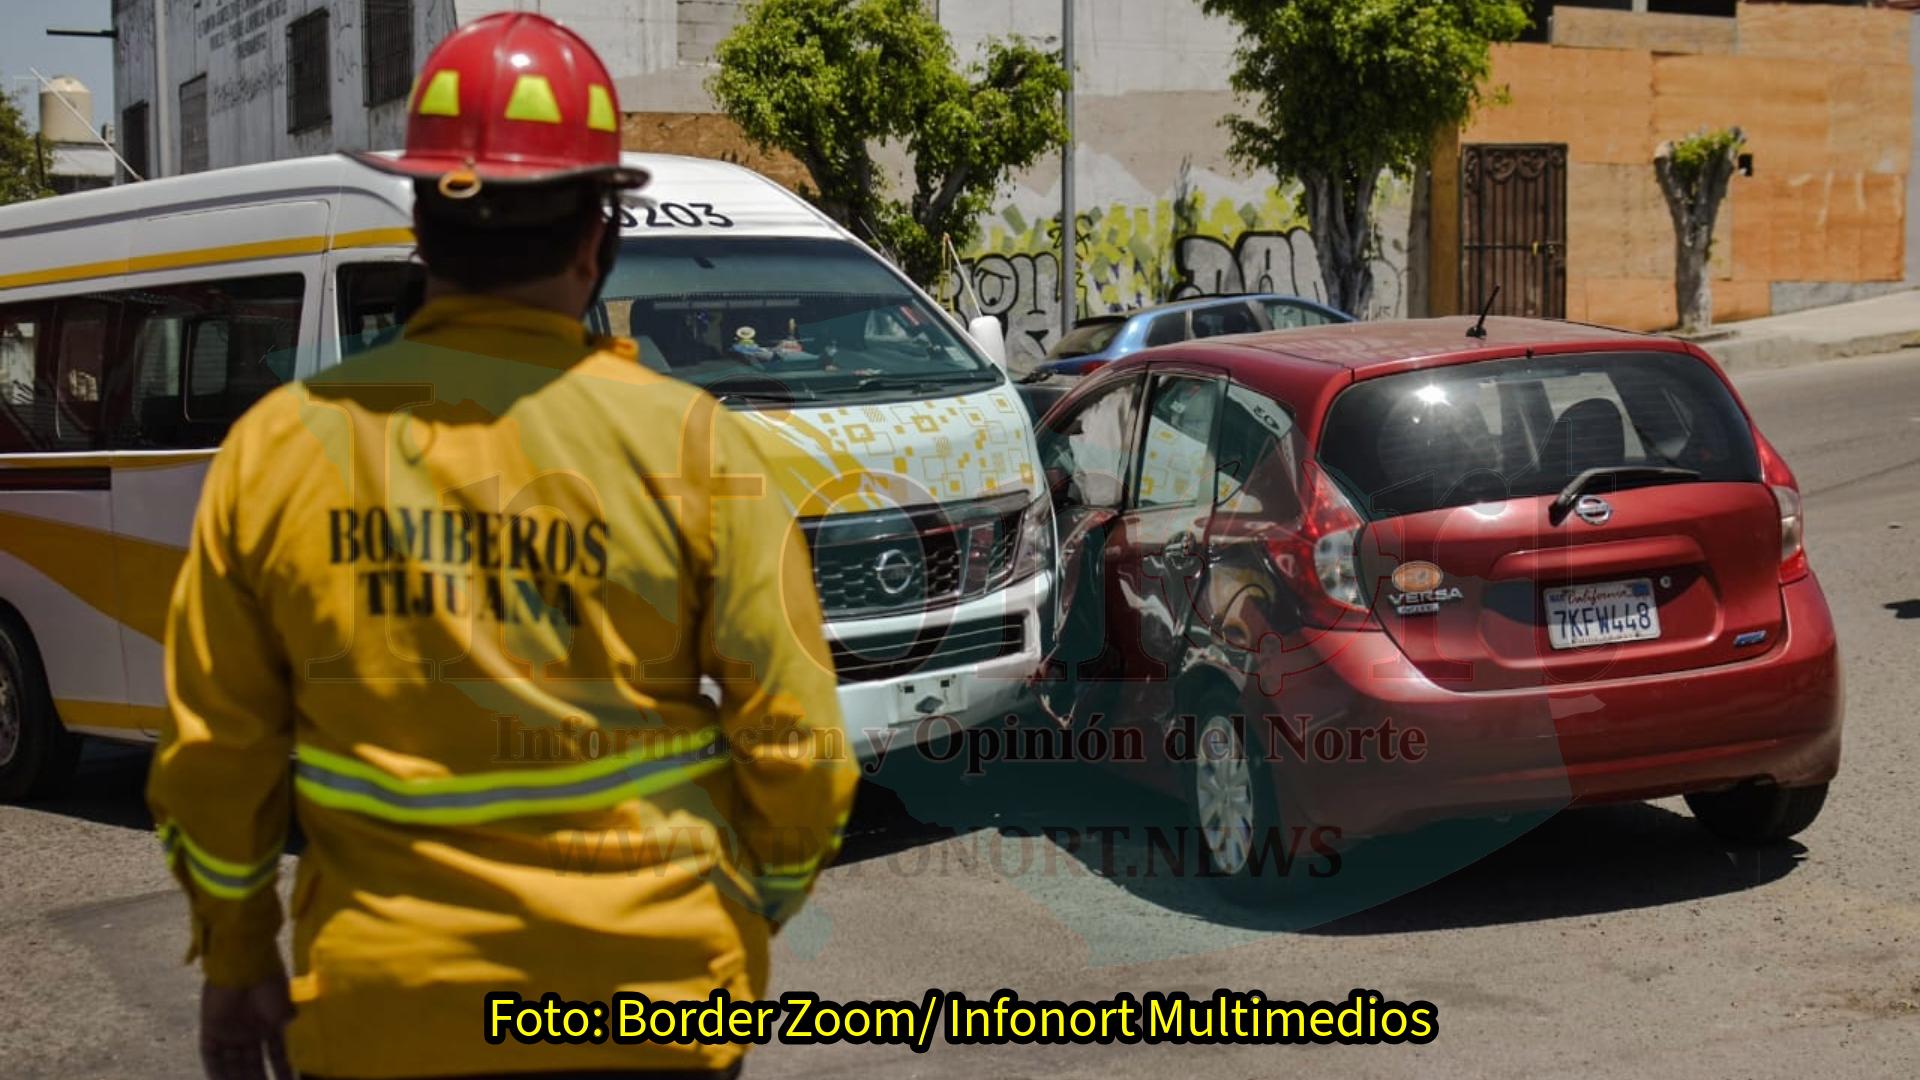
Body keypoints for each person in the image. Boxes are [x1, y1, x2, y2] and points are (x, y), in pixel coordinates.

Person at [146, 12, 857, 1080]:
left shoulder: (280, 448)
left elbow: (214, 758)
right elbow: (802, 746)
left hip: (382, 1022)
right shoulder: (697, 446)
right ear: (597, 242)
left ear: (423, 228)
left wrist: (237, 957)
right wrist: (738, 919)